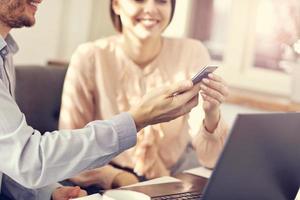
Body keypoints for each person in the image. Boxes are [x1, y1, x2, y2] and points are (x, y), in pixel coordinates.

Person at [0, 0, 201, 199]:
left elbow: (9, 160)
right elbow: (29, 159)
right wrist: (136, 119)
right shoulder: (90, 56)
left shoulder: (5, 52)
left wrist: (49, 192)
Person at [59, 0, 229, 190]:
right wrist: (120, 178)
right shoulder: (89, 57)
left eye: (162, 1)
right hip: (109, 183)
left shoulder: (192, 52)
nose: (150, 9)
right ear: (116, 4)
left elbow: (212, 160)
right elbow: (70, 154)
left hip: (172, 180)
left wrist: (212, 113)